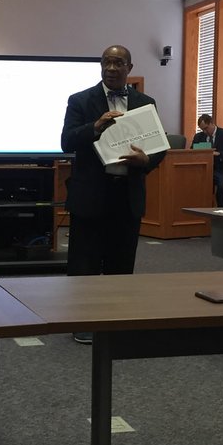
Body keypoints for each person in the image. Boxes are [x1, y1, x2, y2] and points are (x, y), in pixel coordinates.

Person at [61, 45, 167, 344]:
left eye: (118, 62)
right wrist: (94, 127)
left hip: (127, 194)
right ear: (101, 66)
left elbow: (159, 147)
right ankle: (82, 322)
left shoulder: (146, 102)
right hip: (91, 194)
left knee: (122, 262)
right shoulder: (81, 100)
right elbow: (66, 141)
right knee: (85, 263)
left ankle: (117, 321)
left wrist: (146, 162)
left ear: (129, 68)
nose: (111, 67)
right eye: (107, 62)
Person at [190, 114, 223, 207]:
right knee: (192, 183)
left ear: (212, 123)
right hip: (204, 169)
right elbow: (191, 153)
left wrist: (219, 154)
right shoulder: (198, 137)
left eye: (206, 128)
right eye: (202, 129)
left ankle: (221, 212)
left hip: (222, 168)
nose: (204, 131)